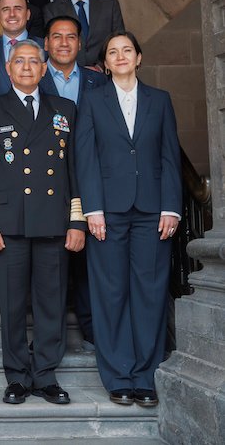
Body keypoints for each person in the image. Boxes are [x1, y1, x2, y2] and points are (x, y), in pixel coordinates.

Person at [0, 39, 86, 405]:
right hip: (9, 224)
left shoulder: (64, 109)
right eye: (18, 61)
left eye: (33, 61)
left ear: (43, 68)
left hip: (54, 221)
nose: (25, 67)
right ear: (8, 69)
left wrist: (77, 221)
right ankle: (18, 377)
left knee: (52, 303)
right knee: (12, 305)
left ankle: (46, 375)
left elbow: (75, 170)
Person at [75, 31, 181, 408]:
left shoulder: (160, 100)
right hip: (108, 212)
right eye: (112, 52)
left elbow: (169, 155)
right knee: (111, 293)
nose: (120, 56)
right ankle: (119, 375)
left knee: (150, 293)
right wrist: (92, 209)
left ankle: (146, 375)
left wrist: (172, 207)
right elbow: (85, 157)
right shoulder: (92, 101)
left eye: (127, 50)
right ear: (105, 63)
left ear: (138, 58)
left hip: (153, 212)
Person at [39, 15, 107, 351]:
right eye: (57, 36)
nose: (64, 43)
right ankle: (48, 337)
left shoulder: (99, 82)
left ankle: (93, 329)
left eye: (70, 37)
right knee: (48, 263)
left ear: (80, 44)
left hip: (90, 178)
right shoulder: (34, 79)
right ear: (46, 43)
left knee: (89, 261)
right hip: (44, 182)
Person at [44, 0, 125, 69]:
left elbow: (119, 41)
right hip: (69, 73)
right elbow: (53, 48)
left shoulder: (110, 4)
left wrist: (100, 67)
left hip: (105, 72)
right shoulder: (52, 10)